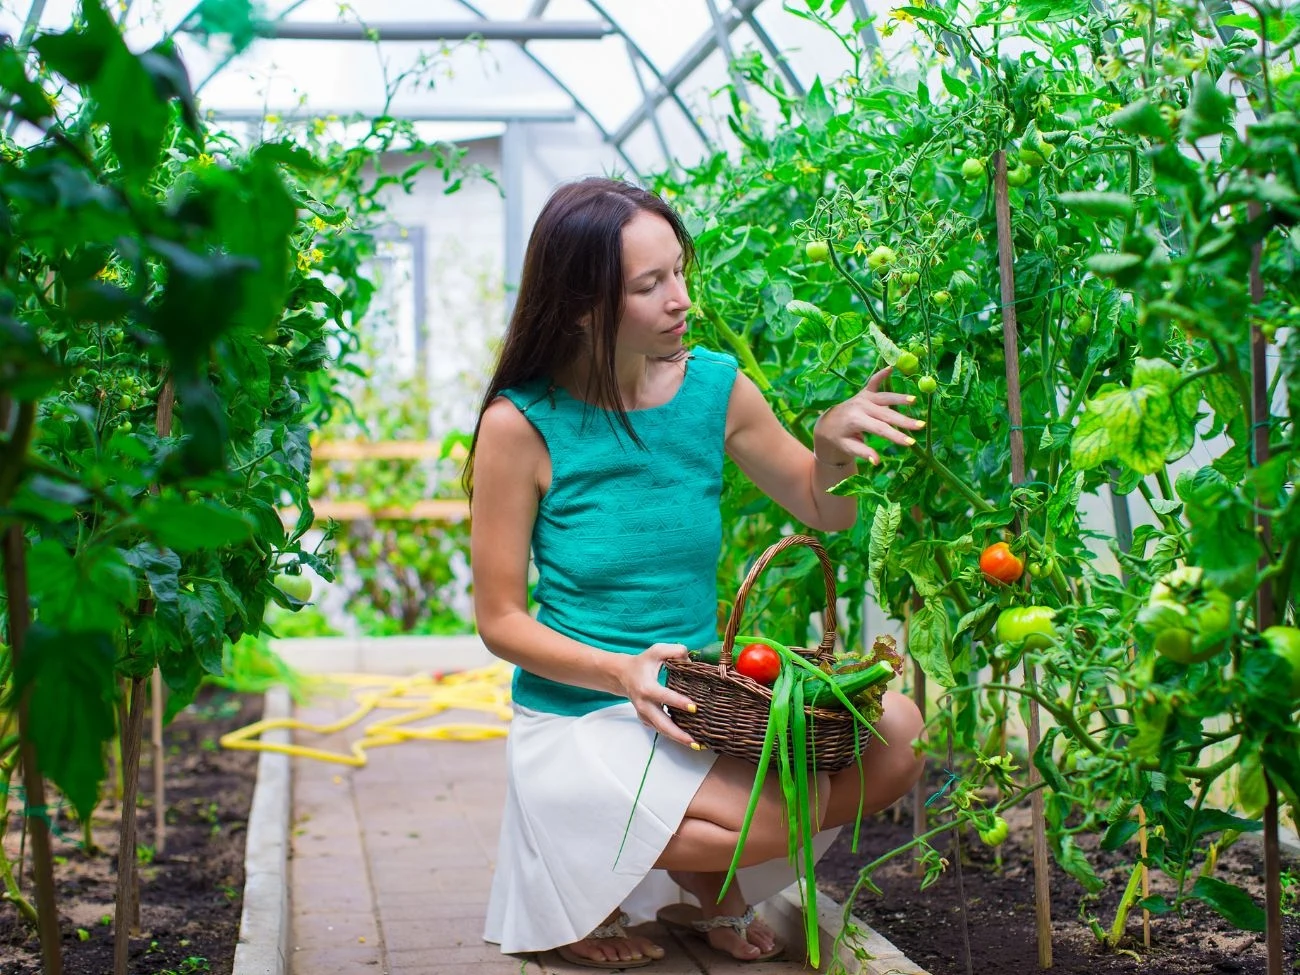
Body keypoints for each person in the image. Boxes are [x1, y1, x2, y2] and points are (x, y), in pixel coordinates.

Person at [468, 176, 926, 969]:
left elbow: (824, 508)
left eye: (678, 270)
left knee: (901, 735)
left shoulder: (714, 387)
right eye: (650, 284)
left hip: (698, 706)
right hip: (585, 715)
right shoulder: (519, 425)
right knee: (770, 814)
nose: (681, 298)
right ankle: (597, 872)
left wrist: (831, 450)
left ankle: (694, 873)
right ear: (581, 306)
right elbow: (499, 619)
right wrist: (622, 671)